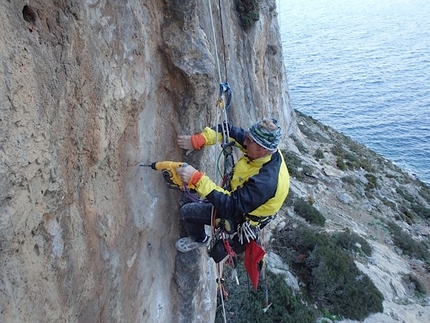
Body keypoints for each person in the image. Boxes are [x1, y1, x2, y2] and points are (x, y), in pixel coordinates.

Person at [175, 118, 290, 253]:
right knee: (207, 196)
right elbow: (227, 130)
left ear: (262, 149)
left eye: (249, 141)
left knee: (187, 211)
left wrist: (196, 179)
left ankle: (199, 239)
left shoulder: (266, 182)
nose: (245, 142)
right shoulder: (265, 149)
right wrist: (199, 140)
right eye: (248, 137)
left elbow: (231, 206)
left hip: (241, 214)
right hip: (241, 198)